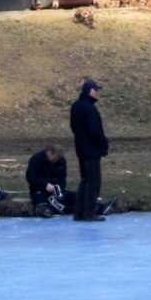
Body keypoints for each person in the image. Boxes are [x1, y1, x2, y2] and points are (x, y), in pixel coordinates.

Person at [70, 78, 110, 221]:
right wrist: (104, 143)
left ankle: (79, 213)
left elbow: (74, 128)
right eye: (96, 90)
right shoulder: (89, 108)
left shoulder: (76, 106)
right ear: (90, 91)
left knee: (85, 181)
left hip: (81, 149)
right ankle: (89, 213)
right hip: (91, 151)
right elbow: (95, 130)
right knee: (93, 182)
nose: (98, 93)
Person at [25, 144, 68, 217]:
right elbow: (30, 177)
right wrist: (45, 184)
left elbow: (62, 178)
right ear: (49, 152)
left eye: (56, 160)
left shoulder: (61, 161)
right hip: (39, 189)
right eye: (54, 159)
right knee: (40, 201)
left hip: (55, 190)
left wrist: (59, 188)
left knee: (71, 197)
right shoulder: (36, 159)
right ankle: (44, 209)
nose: (55, 161)